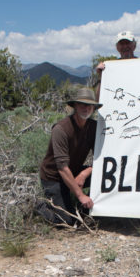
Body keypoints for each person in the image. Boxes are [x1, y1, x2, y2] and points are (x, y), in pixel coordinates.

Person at [37, 86, 100, 225]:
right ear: (75, 106)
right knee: (67, 222)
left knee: (104, 175)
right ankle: (41, 206)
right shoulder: (61, 129)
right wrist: (80, 195)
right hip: (54, 177)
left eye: (90, 105)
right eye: (83, 104)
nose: (87, 108)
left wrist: (84, 173)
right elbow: (61, 168)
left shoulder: (94, 127)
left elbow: (101, 158)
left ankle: (91, 207)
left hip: (75, 170)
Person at [93, 31, 138, 98]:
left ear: (134, 46)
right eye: (121, 44)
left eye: (128, 43)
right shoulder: (109, 68)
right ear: (117, 47)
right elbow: (98, 99)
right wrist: (102, 76)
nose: (125, 46)